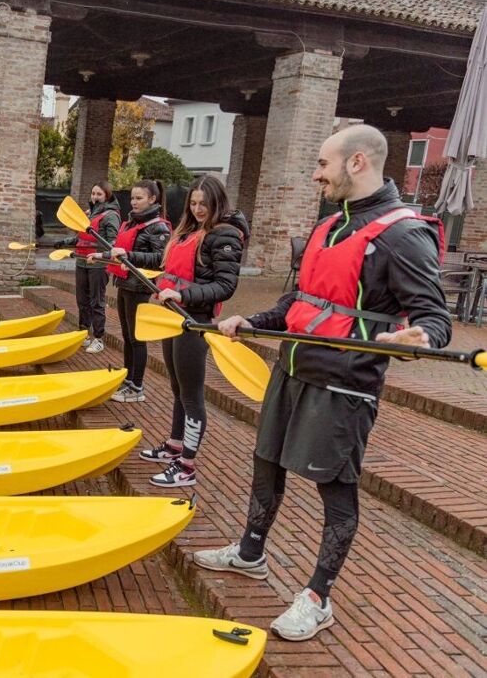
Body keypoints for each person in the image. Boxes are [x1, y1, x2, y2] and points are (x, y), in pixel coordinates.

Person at [194, 124, 450, 642]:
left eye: (322, 165)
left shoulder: (404, 233)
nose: (315, 174)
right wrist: (253, 322)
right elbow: (301, 300)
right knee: (266, 462)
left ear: (356, 163)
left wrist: (423, 335)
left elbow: (436, 318)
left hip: (344, 384)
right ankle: (250, 552)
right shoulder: (330, 223)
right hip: (292, 367)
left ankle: (318, 595)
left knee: (335, 489)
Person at [112, 175, 247, 487]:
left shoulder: (224, 236)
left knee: (191, 393)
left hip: (195, 322)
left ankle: (187, 465)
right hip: (174, 318)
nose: (199, 209)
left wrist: (183, 294)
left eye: (204, 204)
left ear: (217, 203)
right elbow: (163, 262)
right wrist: (128, 256)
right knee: (176, 387)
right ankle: (175, 445)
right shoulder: (190, 231)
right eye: (194, 203)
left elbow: (225, 286)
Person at [91, 180, 171, 403]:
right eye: (133, 198)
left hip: (140, 288)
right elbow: (120, 250)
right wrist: (102, 256)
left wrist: (129, 257)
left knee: (137, 339)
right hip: (125, 284)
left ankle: (137, 387)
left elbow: (160, 260)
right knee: (127, 337)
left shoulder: (158, 227)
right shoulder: (131, 222)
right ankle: (128, 379)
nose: (134, 202)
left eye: (139, 198)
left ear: (152, 199)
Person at [55, 181, 120, 353]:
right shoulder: (89, 214)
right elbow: (81, 237)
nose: (95, 197)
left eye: (99, 194)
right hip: (81, 261)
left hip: (98, 264)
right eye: (93, 194)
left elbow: (113, 243)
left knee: (96, 302)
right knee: (82, 301)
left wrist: (99, 253)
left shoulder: (110, 215)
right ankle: (83, 333)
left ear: (107, 196)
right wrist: (64, 242)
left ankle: (98, 338)